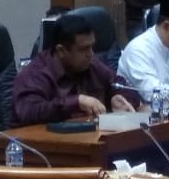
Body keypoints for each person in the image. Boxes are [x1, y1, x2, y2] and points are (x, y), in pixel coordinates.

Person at [12, 14, 140, 126]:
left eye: (91, 47)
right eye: (83, 49)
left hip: (86, 139)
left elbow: (122, 86)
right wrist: (77, 102)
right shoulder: (35, 74)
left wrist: (120, 98)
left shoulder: (92, 64)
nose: (91, 54)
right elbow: (29, 112)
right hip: (38, 142)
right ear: (61, 51)